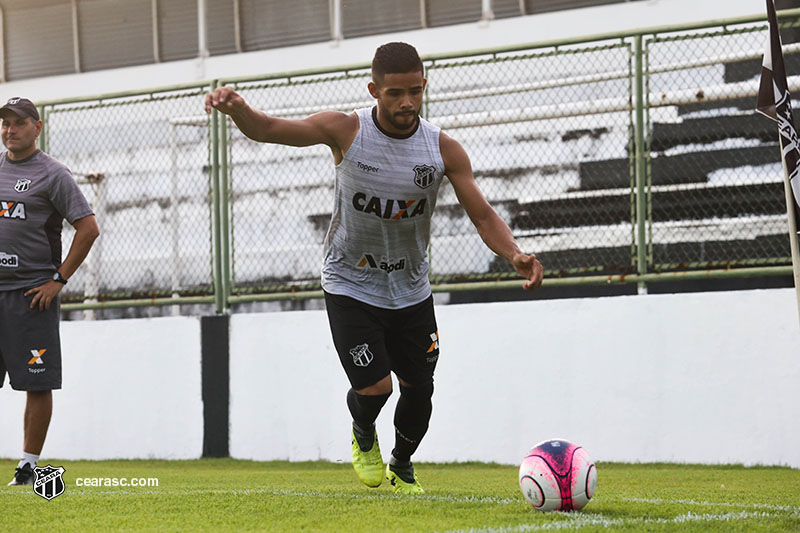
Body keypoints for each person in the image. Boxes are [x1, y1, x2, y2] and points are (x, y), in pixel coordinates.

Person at [205, 42, 543, 494]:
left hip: (410, 289)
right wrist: (238, 109)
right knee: (376, 389)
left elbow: (482, 215)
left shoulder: (442, 149)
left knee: (419, 389)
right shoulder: (346, 130)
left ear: (424, 86)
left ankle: (402, 465)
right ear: (374, 90)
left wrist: (514, 254)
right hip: (350, 283)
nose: (407, 103)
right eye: (395, 93)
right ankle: (364, 433)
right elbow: (268, 129)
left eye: (415, 92)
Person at [0, 97, 99, 486]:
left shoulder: (53, 174)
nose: (10, 130)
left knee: (37, 382)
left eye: (18, 123)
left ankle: (27, 467)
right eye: (4, 123)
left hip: (30, 295)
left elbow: (88, 229)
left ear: (37, 128)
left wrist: (58, 280)